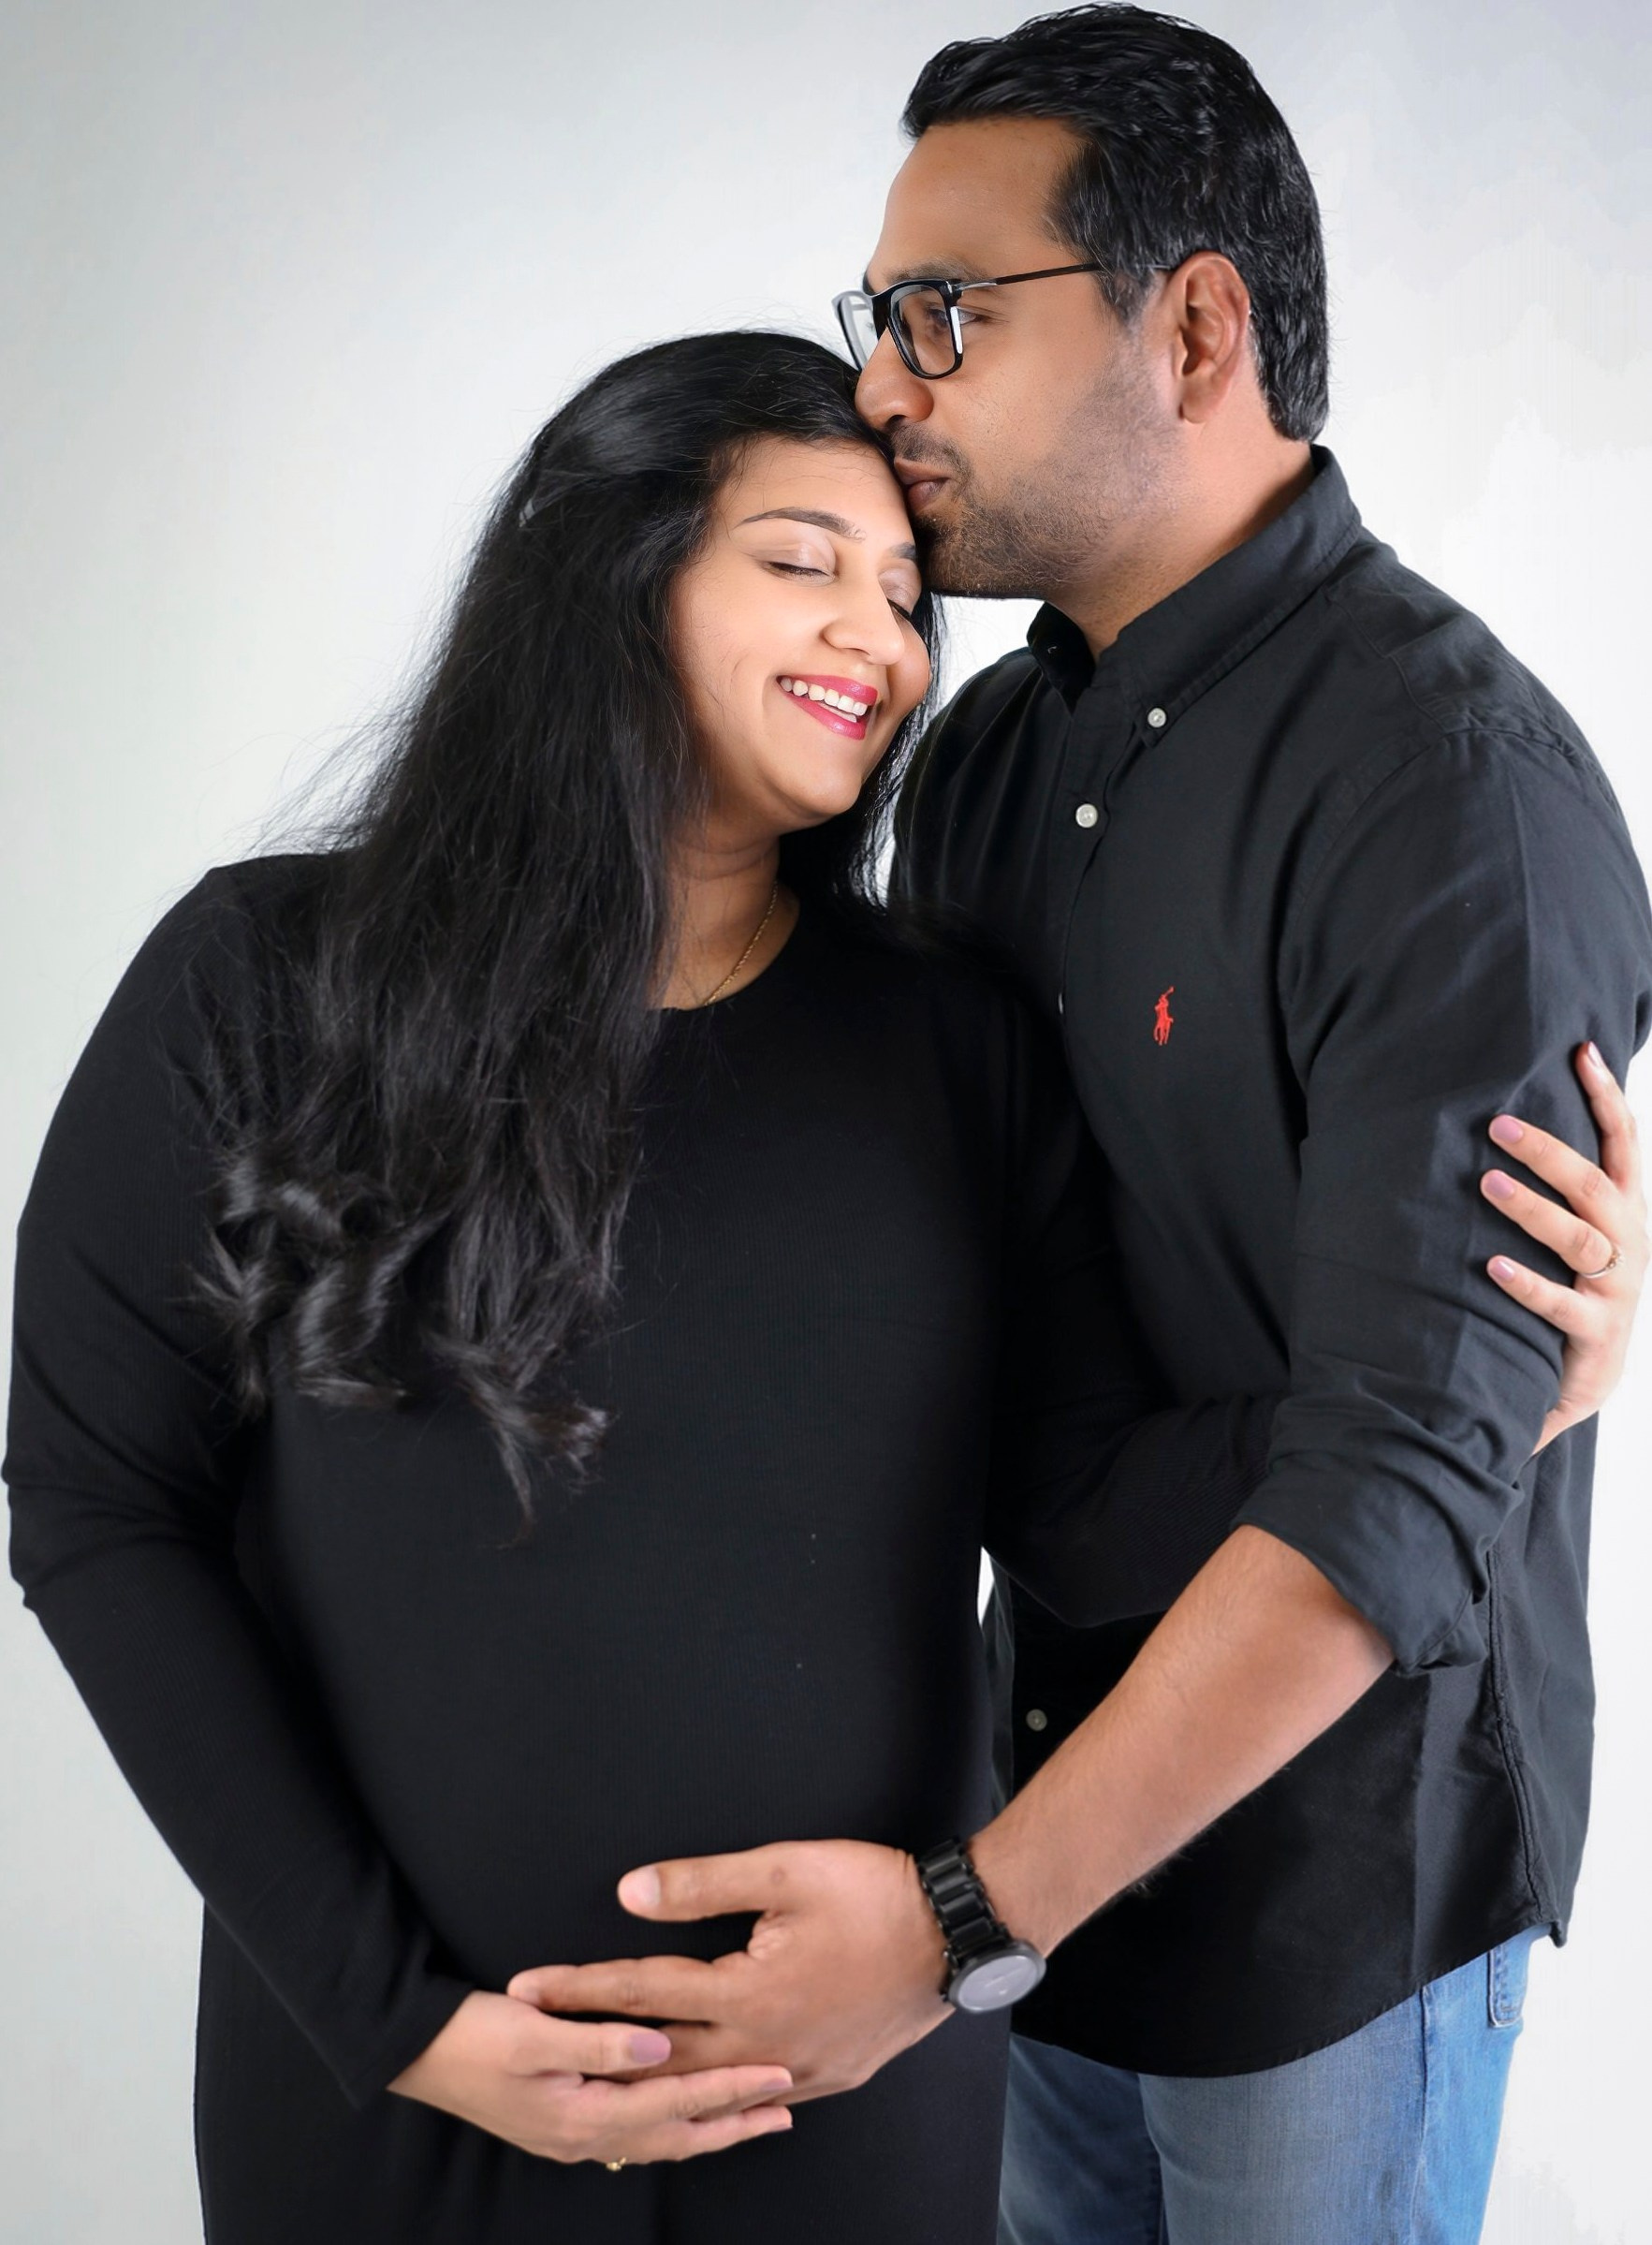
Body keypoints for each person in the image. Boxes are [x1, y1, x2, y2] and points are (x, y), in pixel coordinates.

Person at [16, 328, 1600, 2242]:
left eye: (907, 593)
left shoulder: (949, 1036)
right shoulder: (260, 979)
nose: (883, 635)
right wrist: (393, 2018)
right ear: (607, 573)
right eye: (800, 561)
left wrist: (1488, 1372)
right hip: (391, 2096)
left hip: (845, 2095)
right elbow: (98, 1507)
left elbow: (1083, 1506)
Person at [504, 14, 1652, 2245]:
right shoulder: (980, 757)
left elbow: (1391, 1487)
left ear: (1196, 326)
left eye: (945, 311)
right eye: (878, 317)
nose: (882, 387)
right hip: (1014, 1837)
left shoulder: (1451, 798)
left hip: (1326, 1897)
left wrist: (950, 1923)